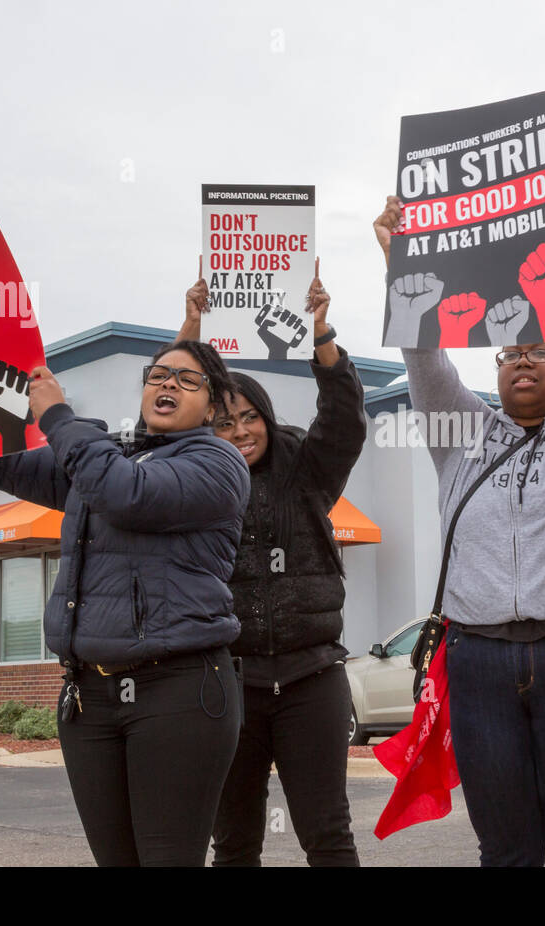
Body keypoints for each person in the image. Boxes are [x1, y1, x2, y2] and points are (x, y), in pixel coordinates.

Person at [0, 340, 250, 866]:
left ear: (213, 408)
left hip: (178, 692)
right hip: (89, 696)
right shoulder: (109, 456)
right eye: (159, 374)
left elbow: (124, 492)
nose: (167, 383)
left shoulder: (216, 462)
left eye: (187, 380)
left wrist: (56, 414)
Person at [373, 163, 545, 866]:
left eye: (540, 351)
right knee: (506, 850)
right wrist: (400, 267)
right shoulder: (463, 436)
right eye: (509, 354)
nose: (522, 361)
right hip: (483, 662)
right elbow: (427, 365)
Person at [177, 262, 366, 866]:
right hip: (228, 683)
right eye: (224, 422)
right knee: (233, 840)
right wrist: (191, 328)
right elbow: (163, 422)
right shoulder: (192, 477)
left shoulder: (307, 467)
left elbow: (343, 421)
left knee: (327, 833)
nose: (238, 431)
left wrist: (321, 335)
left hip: (312, 676)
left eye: (249, 417)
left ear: (265, 415)